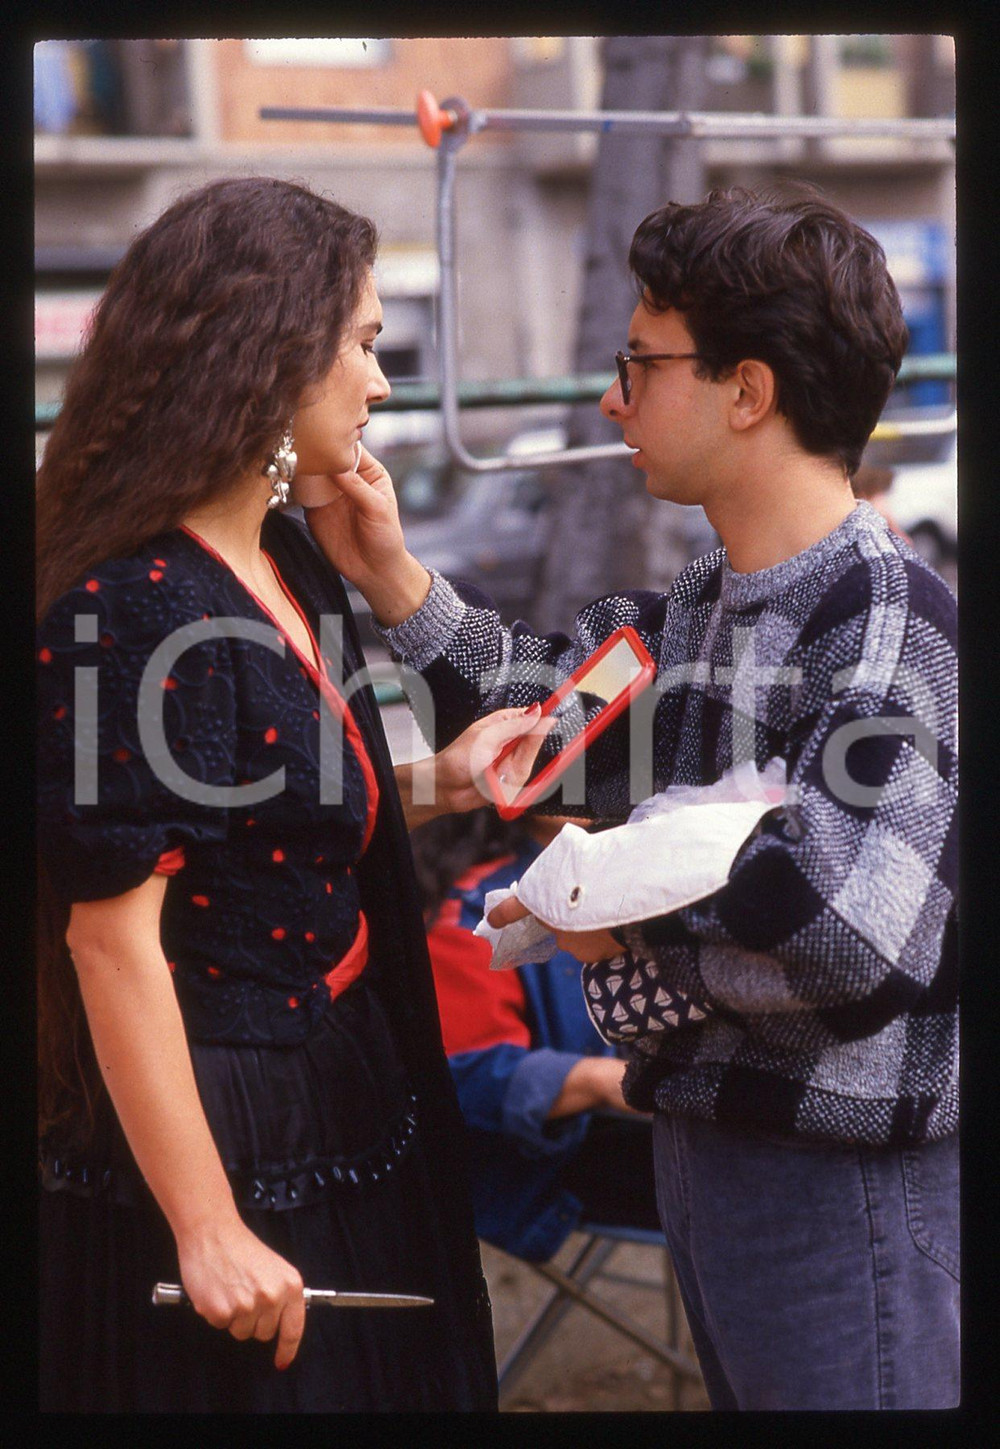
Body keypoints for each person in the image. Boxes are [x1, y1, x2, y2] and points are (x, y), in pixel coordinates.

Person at [304, 185, 959, 1410]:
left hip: (842, 1189)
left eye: (640, 363)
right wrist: (389, 571)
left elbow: (861, 940)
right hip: (713, 1156)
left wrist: (615, 924)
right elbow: (553, 728)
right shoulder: (715, 599)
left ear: (747, 391)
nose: (614, 401)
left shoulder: (883, 624)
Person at [35, 176, 551, 1412]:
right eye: (366, 346)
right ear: (269, 356)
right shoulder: (129, 607)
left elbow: (266, 822)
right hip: (223, 1114)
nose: (381, 385)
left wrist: (436, 780)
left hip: (346, 1077)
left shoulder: (287, 560)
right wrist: (206, 1227)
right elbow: (112, 945)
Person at [411, 809, 660, 1263]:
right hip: (549, 1158)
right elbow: (461, 1079)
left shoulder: (642, 861)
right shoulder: (476, 905)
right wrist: (600, 1078)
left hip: (641, 1113)